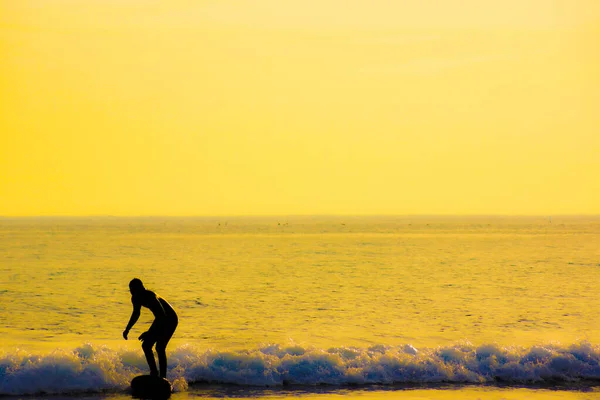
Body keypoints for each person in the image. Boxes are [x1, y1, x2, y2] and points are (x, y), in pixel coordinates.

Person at [123, 278, 178, 379]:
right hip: (161, 319)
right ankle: (154, 373)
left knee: (159, 347)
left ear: (141, 289)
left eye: (134, 290)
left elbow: (162, 316)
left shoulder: (150, 296)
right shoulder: (135, 298)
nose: (132, 293)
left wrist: (149, 332)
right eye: (131, 290)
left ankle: (162, 377)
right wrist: (127, 329)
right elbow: (136, 313)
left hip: (170, 319)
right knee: (147, 346)